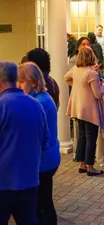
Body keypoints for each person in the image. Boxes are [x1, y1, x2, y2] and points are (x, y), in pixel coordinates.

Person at [0, 61, 49, 224]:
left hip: (3, 185)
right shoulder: (36, 105)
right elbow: (44, 143)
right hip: (29, 182)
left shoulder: (2, 105)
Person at [18, 62, 60, 225]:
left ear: (34, 82)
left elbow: (31, 135)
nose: (19, 85)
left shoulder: (39, 102)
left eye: (22, 81)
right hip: (48, 157)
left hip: (43, 160)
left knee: (41, 204)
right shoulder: (41, 97)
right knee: (43, 201)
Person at [65, 46, 104, 176]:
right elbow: (98, 95)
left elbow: (66, 78)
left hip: (78, 108)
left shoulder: (76, 69)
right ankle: (90, 167)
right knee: (91, 138)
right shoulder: (91, 74)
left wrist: (78, 87)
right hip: (90, 110)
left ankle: (82, 164)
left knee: (82, 136)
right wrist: (103, 84)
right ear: (91, 56)